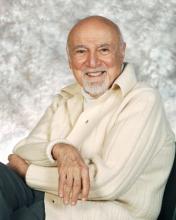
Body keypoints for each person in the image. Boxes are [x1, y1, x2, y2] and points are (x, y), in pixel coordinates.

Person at [0, 15, 175, 220]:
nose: (92, 62)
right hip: (48, 196)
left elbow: (107, 185)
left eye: (104, 49)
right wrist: (59, 150)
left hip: (101, 212)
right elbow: (23, 150)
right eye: (81, 51)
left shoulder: (143, 100)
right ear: (69, 57)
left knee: (25, 217)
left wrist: (29, 173)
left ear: (122, 51)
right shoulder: (67, 97)